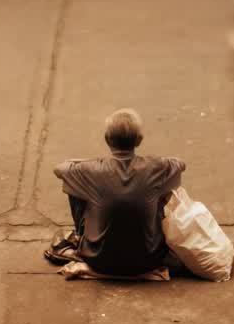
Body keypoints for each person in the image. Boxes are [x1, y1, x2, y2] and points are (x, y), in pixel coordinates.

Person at [45, 109, 186, 276]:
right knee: (162, 186)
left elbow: (60, 169)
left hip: (98, 260)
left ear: (107, 139)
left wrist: (90, 163)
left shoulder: (92, 169)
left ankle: (81, 234)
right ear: (139, 140)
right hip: (148, 260)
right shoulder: (155, 166)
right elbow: (180, 164)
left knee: (76, 182)